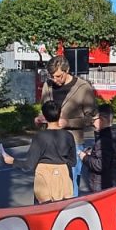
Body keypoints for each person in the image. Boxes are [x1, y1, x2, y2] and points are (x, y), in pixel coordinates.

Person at [39, 55, 97, 195]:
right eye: (52, 76)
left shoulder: (83, 87)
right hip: (49, 143)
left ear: (67, 70)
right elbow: (44, 109)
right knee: (48, 186)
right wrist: (42, 118)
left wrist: (68, 123)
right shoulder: (48, 85)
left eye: (58, 76)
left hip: (72, 143)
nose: (55, 80)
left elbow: (92, 118)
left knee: (70, 187)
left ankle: (70, 213)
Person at [2, 100, 76, 203]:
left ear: (44, 118)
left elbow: (29, 165)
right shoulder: (68, 136)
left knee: (43, 212)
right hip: (63, 183)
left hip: (44, 181)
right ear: (60, 115)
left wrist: (12, 161)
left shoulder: (40, 137)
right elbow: (73, 162)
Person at [78, 103, 116, 192]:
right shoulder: (114, 136)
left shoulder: (104, 140)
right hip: (111, 181)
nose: (92, 123)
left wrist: (84, 157)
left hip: (101, 185)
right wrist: (92, 152)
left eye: (94, 120)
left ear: (102, 120)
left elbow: (100, 165)